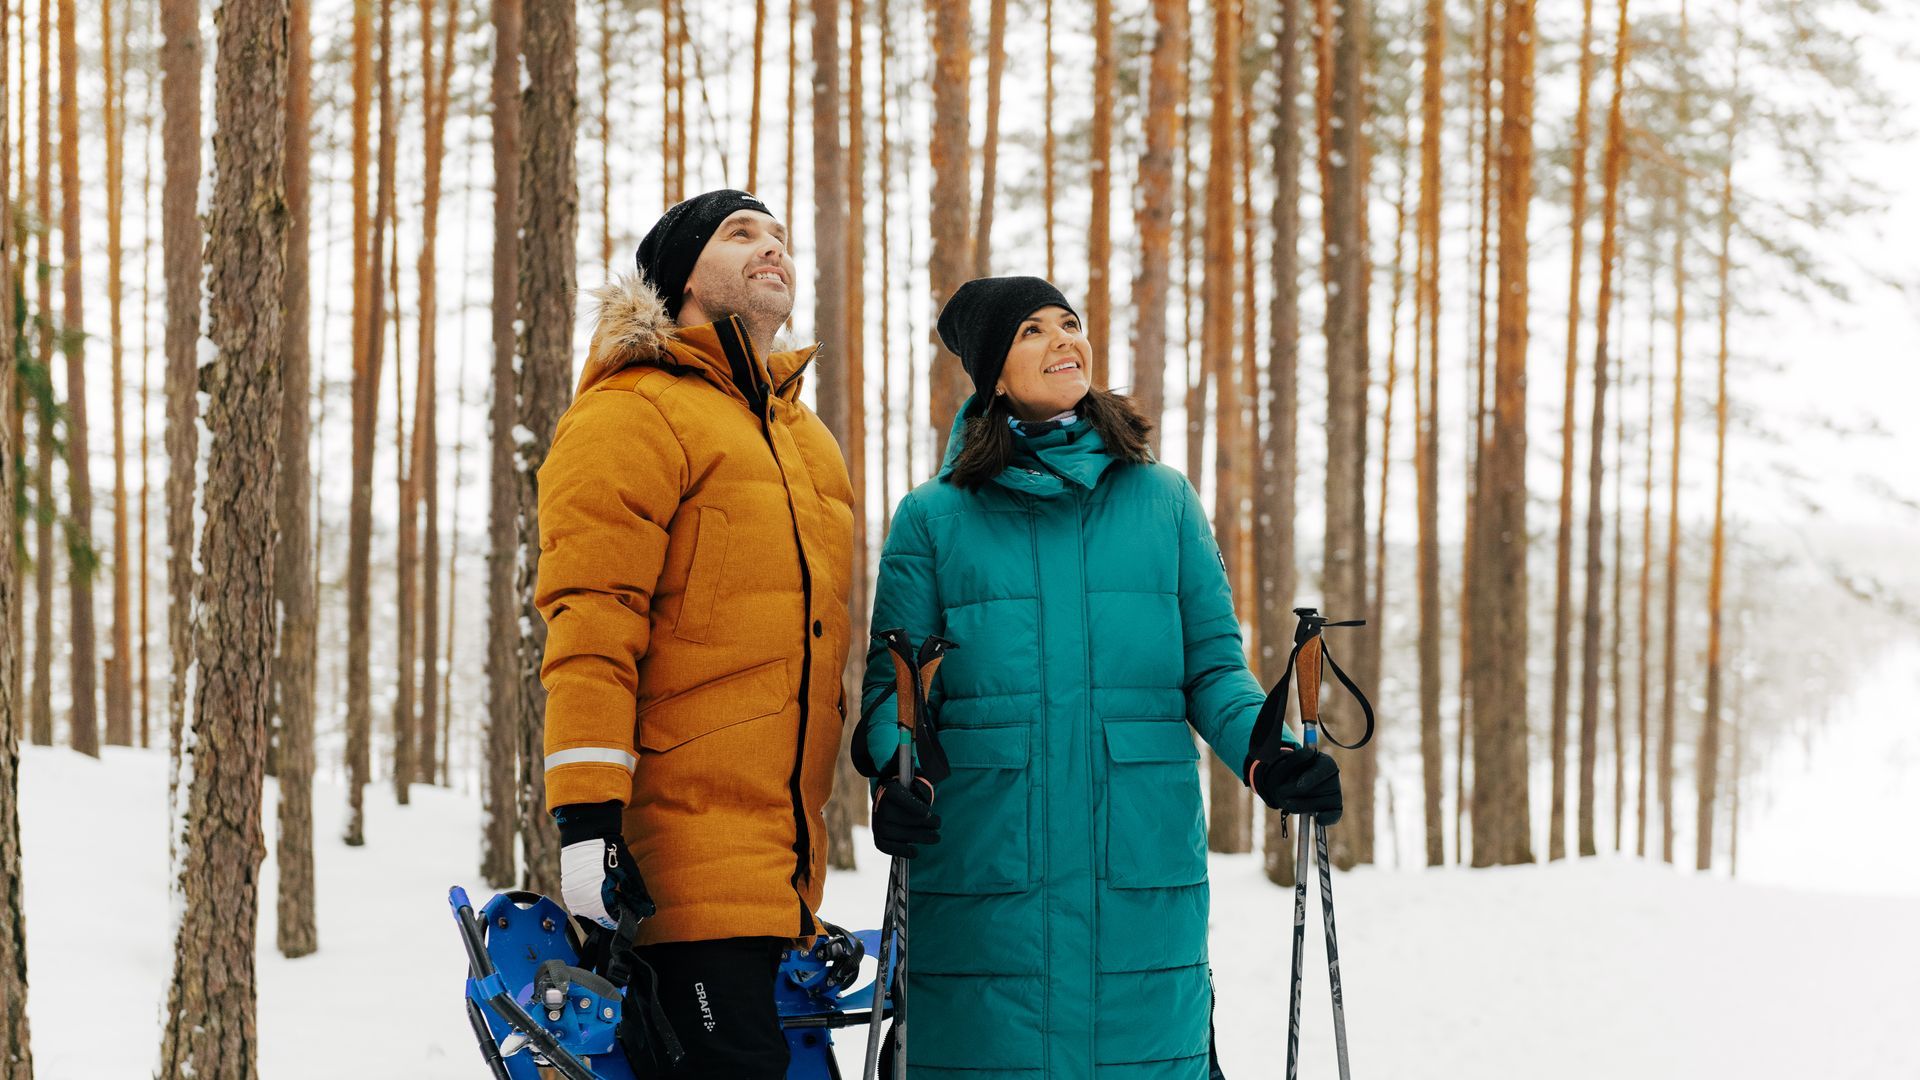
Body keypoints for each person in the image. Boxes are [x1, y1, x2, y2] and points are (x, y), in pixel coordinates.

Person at [854, 276, 1343, 1079]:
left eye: (1070, 323)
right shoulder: (933, 518)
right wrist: (899, 779)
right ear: (992, 373)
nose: (1063, 341)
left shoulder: (1164, 502)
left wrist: (1275, 754)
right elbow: (892, 694)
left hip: (1139, 873)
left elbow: (1214, 672)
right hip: (984, 875)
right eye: (1032, 332)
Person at [534, 189, 855, 1078]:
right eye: (739, 233)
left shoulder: (806, 443)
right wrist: (588, 819)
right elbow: (592, 618)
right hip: (675, 864)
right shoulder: (632, 409)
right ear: (677, 276)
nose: (771, 247)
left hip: (783, 873)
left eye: (780, 235)